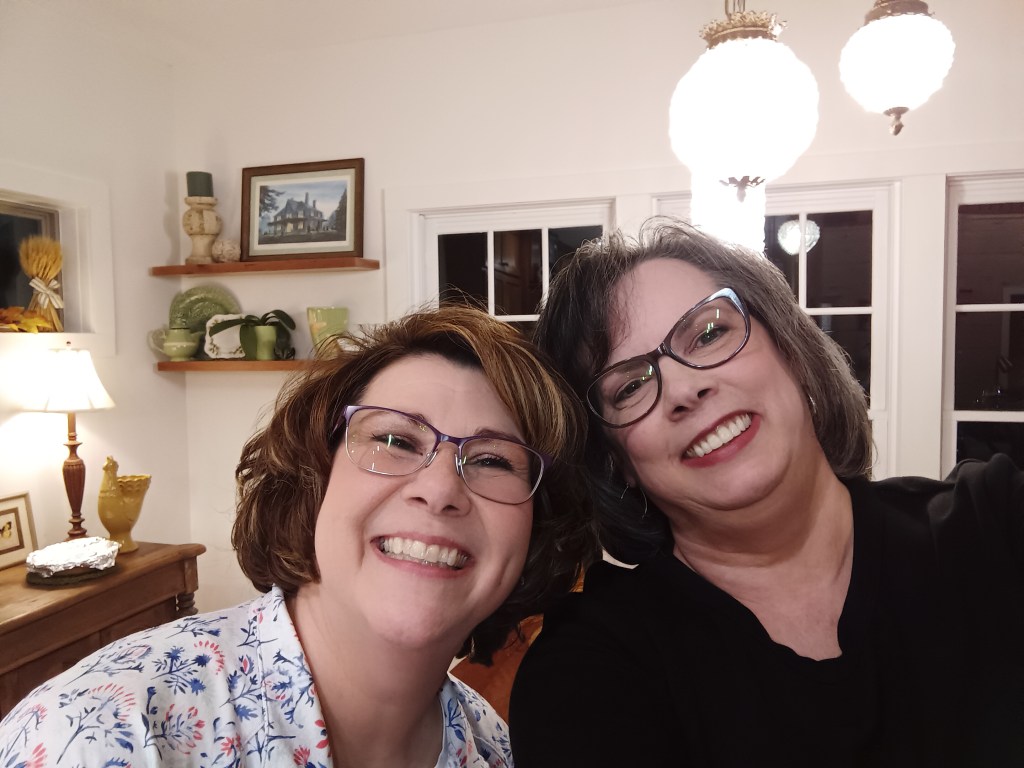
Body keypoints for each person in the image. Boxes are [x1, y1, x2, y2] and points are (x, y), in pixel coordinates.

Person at [510, 217, 1024, 766]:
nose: (685, 388)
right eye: (630, 386)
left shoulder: (994, 523)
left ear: (791, 350)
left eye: (709, 334)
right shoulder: (591, 669)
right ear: (616, 462)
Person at [0, 304, 596, 767]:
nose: (439, 490)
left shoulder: (495, 747)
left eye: (493, 460)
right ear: (314, 476)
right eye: (394, 440)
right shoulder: (103, 733)